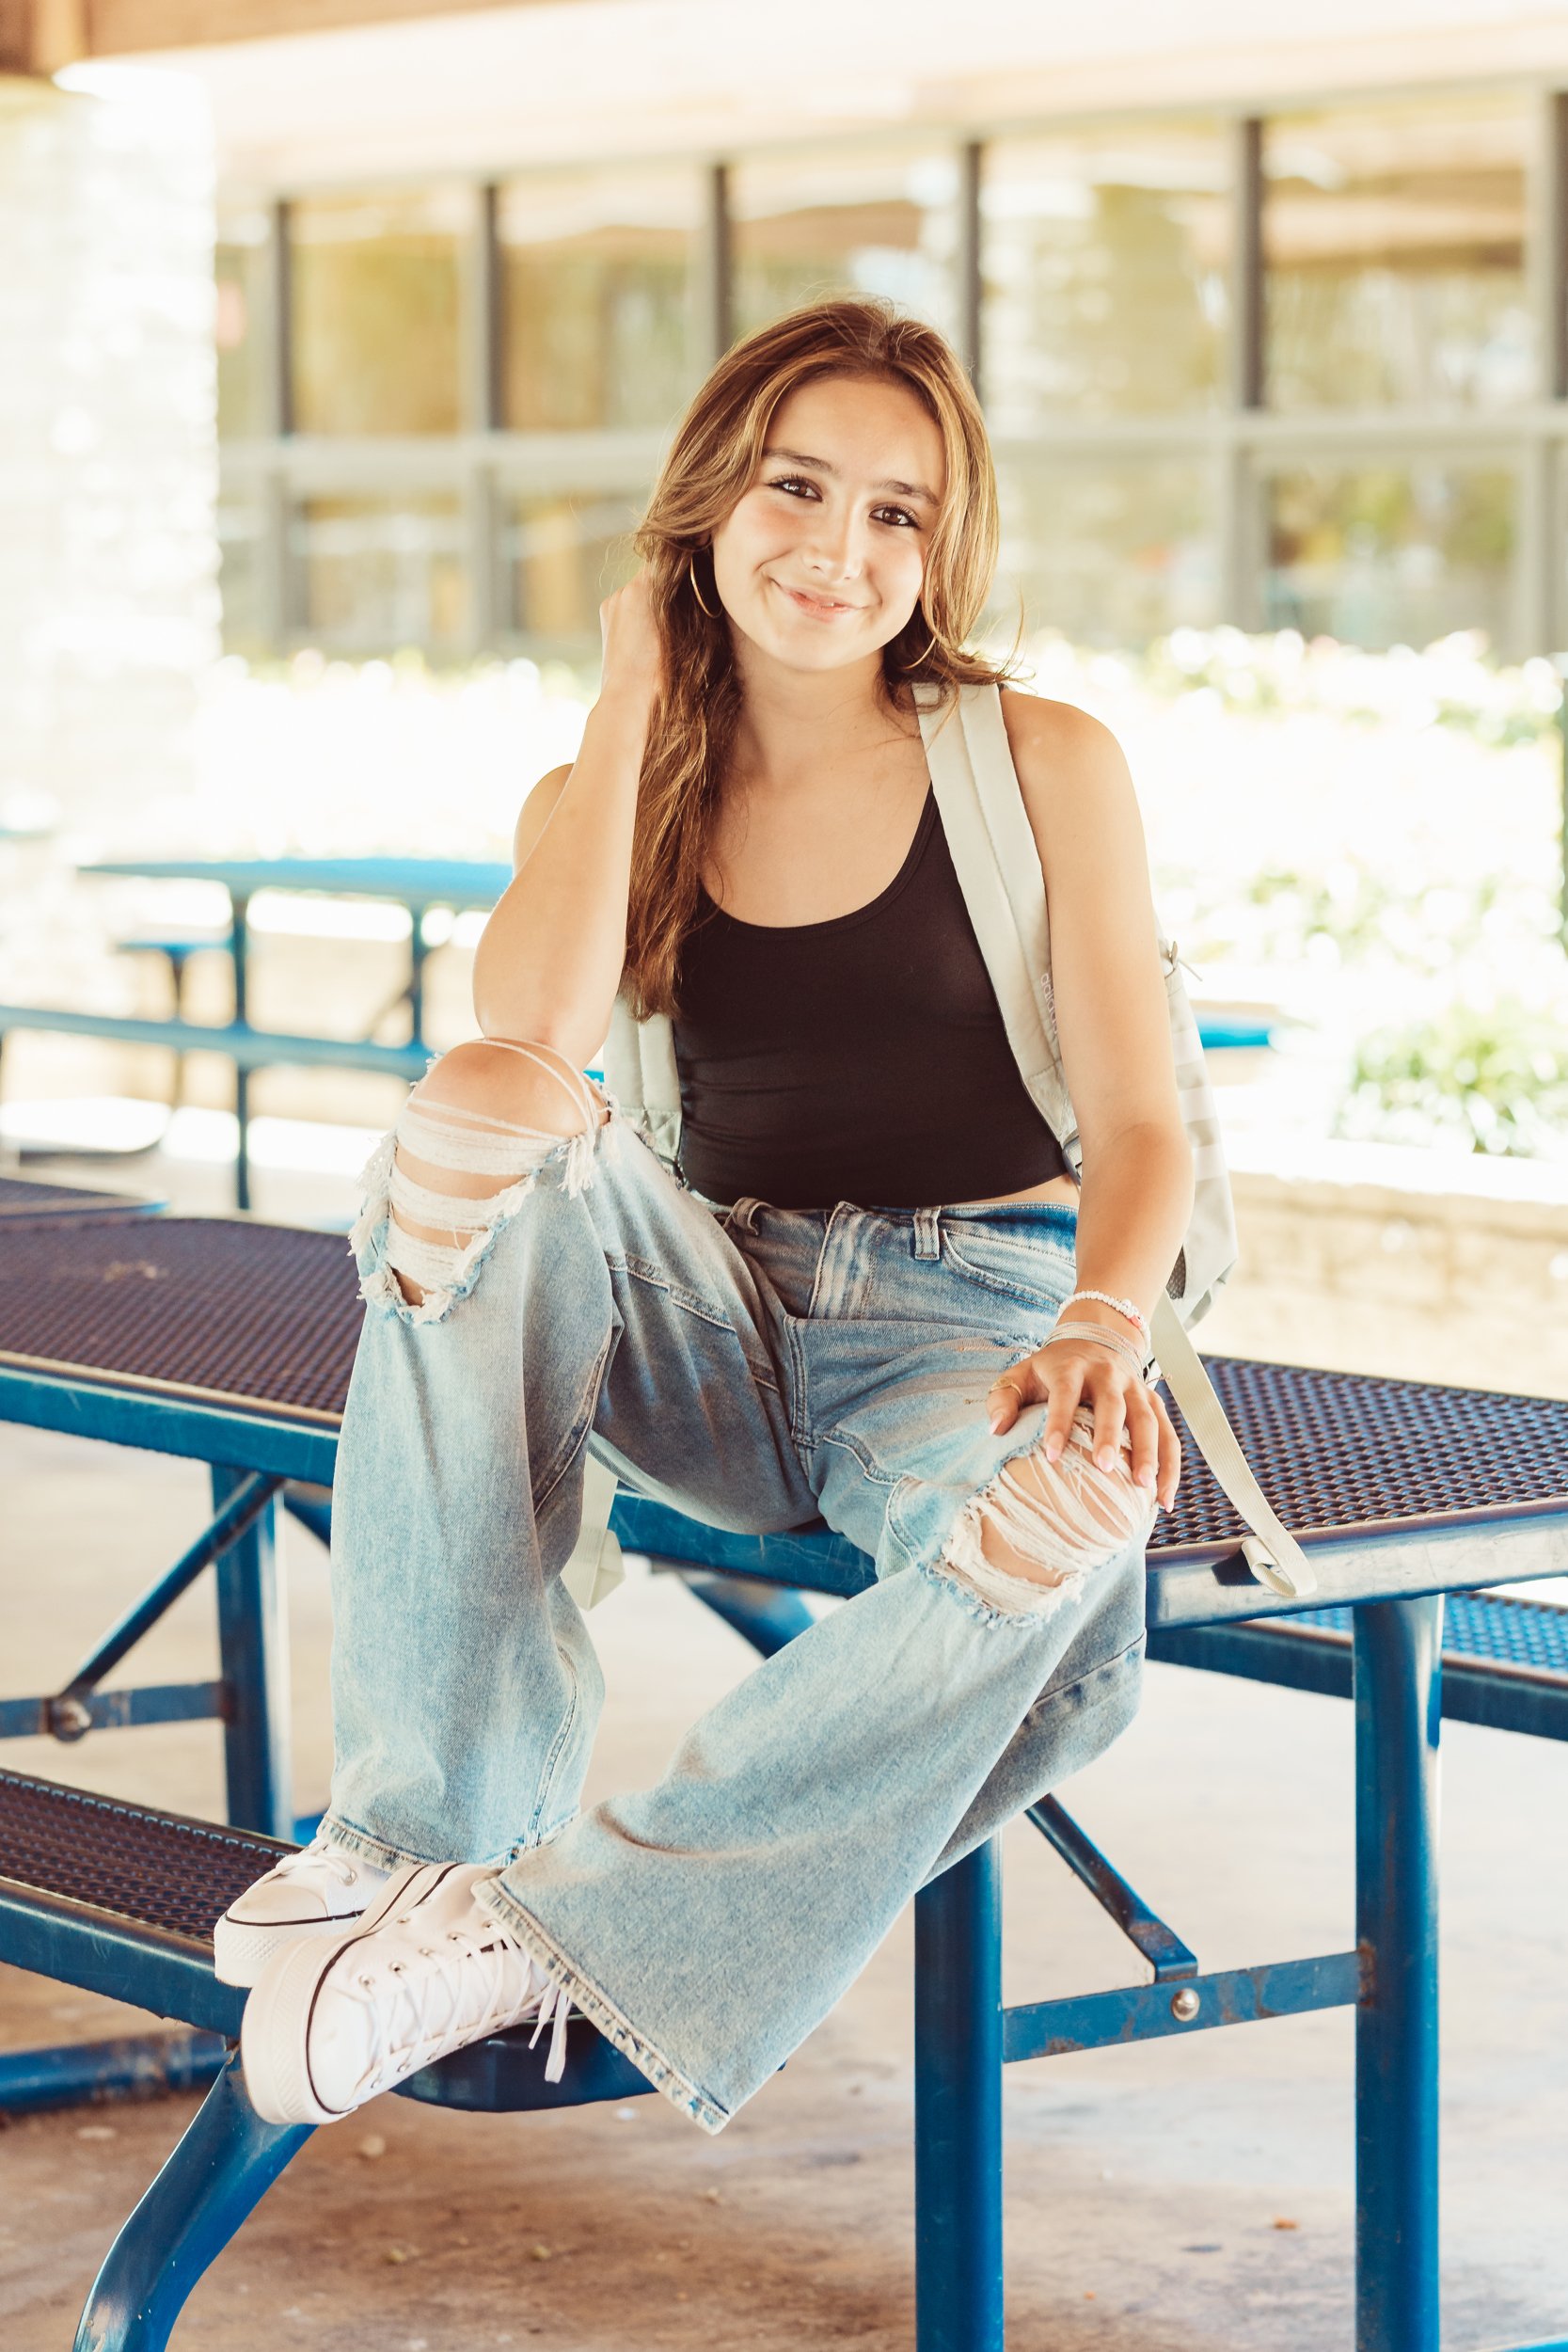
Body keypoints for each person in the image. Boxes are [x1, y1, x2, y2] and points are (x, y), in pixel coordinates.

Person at [222, 296, 1192, 2136]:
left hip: (975, 1326)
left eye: (898, 511)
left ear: (944, 540)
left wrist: (1100, 1321)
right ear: (708, 502)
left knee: (1064, 1575)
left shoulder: (1040, 758)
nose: (842, 548)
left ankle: (560, 1927)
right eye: (798, 488)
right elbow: (527, 1043)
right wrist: (628, 707)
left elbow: (1145, 1116)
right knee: (478, 1125)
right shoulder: (608, 779)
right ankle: (429, 1827)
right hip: (706, 1309)